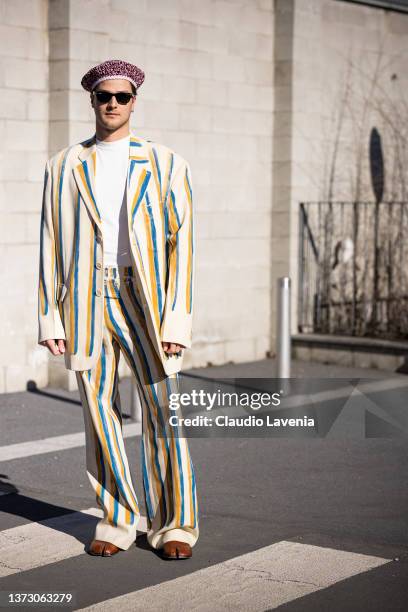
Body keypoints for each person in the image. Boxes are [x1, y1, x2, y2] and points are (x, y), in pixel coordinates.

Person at [37, 59, 198, 559]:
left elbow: (183, 246)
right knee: (99, 411)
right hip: (86, 299)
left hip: (143, 299)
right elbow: (49, 243)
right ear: (92, 101)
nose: (112, 103)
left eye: (122, 97)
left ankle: (175, 523)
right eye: (104, 96)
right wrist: (50, 317)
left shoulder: (166, 162)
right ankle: (118, 519)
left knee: (162, 407)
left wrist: (177, 320)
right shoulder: (63, 165)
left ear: (134, 101)